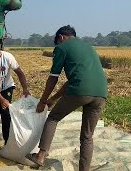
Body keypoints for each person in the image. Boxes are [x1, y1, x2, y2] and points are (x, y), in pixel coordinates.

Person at [25, 25, 107, 171]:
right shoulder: (88, 47)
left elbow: (53, 78)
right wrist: (54, 98)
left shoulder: (62, 48)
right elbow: (71, 81)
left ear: (61, 37)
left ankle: (40, 156)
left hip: (80, 91)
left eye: (57, 41)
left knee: (53, 118)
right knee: (87, 137)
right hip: (101, 93)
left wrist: (43, 101)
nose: (58, 45)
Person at [0, 36, 30, 153]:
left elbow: (20, 73)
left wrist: (25, 89)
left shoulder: (8, 57)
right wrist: (1, 99)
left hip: (7, 87)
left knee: (6, 114)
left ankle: (7, 143)